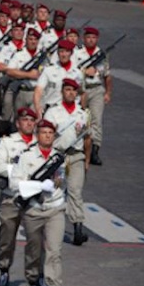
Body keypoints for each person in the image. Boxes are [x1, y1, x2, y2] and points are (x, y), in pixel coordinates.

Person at [9, 119, 67, 286]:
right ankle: (34, 283)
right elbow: (15, 184)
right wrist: (39, 186)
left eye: (51, 133)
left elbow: (61, 180)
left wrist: (57, 182)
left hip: (54, 208)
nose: (48, 136)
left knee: (54, 250)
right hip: (33, 209)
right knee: (33, 252)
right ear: (37, 135)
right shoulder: (26, 157)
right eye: (44, 132)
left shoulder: (58, 157)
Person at [0, 107, 37, 286]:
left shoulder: (39, 143)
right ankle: (4, 270)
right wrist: (22, 173)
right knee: (7, 237)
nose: (28, 123)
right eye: (24, 120)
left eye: (31, 120)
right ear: (18, 123)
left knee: (36, 240)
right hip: (11, 196)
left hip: (34, 199)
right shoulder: (7, 142)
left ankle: (36, 278)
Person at [43, 79, 91, 246]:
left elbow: (87, 139)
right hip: (58, 157)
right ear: (62, 91)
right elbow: (45, 137)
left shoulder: (82, 114)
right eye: (67, 89)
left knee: (75, 191)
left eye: (73, 90)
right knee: (54, 192)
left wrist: (87, 160)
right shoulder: (53, 113)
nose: (70, 93)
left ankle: (78, 227)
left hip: (76, 156)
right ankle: (47, 224)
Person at [72, 27, 111, 166]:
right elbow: (72, 70)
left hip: (96, 90)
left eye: (94, 37)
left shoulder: (101, 54)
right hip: (80, 89)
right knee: (78, 118)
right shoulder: (76, 53)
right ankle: (78, 146)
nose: (91, 40)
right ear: (84, 38)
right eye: (88, 37)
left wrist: (108, 93)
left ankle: (95, 149)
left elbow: (107, 75)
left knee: (96, 120)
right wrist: (84, 71)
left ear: (97, 39)